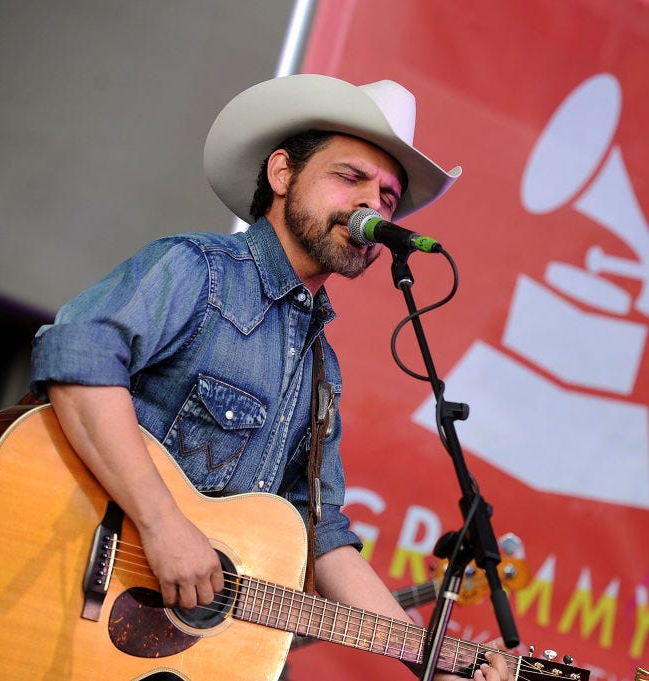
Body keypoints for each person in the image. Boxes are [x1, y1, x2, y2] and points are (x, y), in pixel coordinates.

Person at [27, 73, 510, 681]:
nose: (372, 206)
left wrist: (434, 664)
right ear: (282, 174)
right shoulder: (197, 271)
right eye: (350, 177)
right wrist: (161, 523)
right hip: (54, 582)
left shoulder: (320, 367)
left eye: (388, 197)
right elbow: (77, 357)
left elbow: (324, 534)